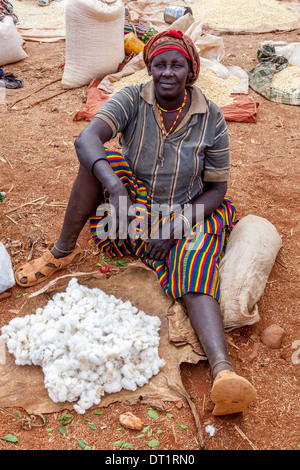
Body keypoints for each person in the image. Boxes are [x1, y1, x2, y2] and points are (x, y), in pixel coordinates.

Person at [15, 30, 257, 416]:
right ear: (149, 67)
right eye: (159, 64)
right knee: (99, 162)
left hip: (186, 212)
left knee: (196, 270)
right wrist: (119, 190)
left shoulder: (211, 117)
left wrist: (175, 226)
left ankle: (222, 372)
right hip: (133, 214)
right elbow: (87, 138)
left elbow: (216, 188)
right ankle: (61, 251)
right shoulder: (131, 98)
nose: (166, 73)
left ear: (190, 71)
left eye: (176, 65)